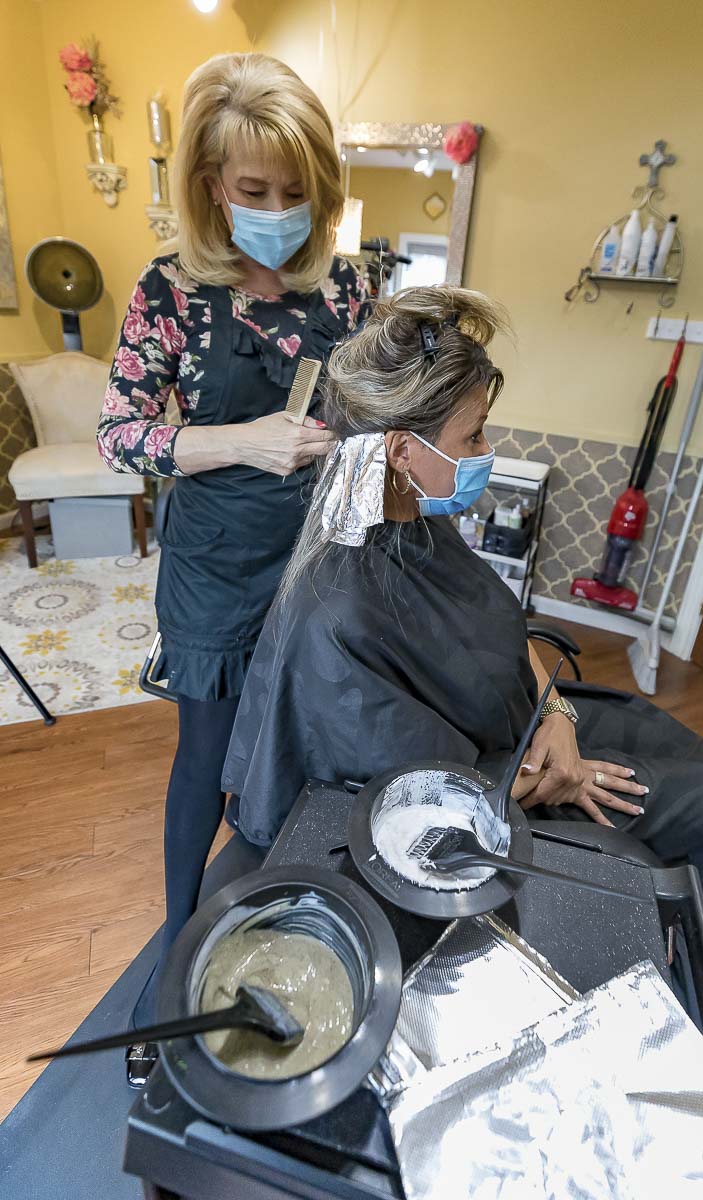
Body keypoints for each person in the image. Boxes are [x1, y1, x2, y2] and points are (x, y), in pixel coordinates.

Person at [223, 285, 703, 984]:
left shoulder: (415, 519)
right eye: (476, 435)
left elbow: (497, 621)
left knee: (684, 749)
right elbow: (425, 795)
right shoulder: (336, 616)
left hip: (527, 725)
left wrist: (559, 716)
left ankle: (693, 949)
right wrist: (563, 771)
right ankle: (700, 981)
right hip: (490, 790)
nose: (489, 450)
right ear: (403, 450)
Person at [97, 52, 367, 1077]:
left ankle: (279, 930)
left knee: (299, 750)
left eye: (298, 193)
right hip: (212, 562)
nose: (278, 211)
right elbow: (120, 432)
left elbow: (366, 412)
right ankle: (177, 960)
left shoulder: (345, 287)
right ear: (212, 183)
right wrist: (238, 441)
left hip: (311, 558)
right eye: (255, 191)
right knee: (206, 764)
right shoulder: (167, 291)